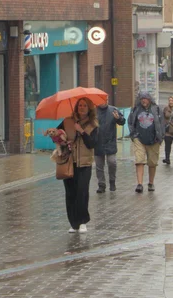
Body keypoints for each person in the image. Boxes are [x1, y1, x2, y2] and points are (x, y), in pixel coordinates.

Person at [53, 98, 97, 231]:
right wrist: (62, 140)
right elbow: (57, 135)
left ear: (89, 108)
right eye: (79, 105)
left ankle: (82, 221)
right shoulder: (67, 121)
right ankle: (73, 223)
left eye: (84, 106)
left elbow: (92, 144)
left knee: (82, 192)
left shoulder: (93, 124)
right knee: (70, 192)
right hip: (69, 161)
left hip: (84, 163)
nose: (82, 108)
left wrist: (81, 131)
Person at [92, 96, 125, 193]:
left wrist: (118, 118)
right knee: (99, 165)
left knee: (112, 162)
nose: (104, 102)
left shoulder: (113, 110)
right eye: (101, 100)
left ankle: (112, 181)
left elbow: (122, 122)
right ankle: (101, 184)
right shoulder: (94, 112)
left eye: (105, 100)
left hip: (110, 141)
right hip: (97, 142)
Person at [130, 93, 162, 193]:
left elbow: (162, 123)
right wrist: (134, 135)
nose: (143, 101)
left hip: (154, 140)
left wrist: (160, 137)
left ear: (150, 99)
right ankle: (139, 184)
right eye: (142, 99)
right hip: (139, 139)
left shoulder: (156, 109)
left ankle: (151, 183)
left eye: (145, 99)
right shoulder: (136, 109)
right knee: (139, 160)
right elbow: (131, 122)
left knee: (152, 162)